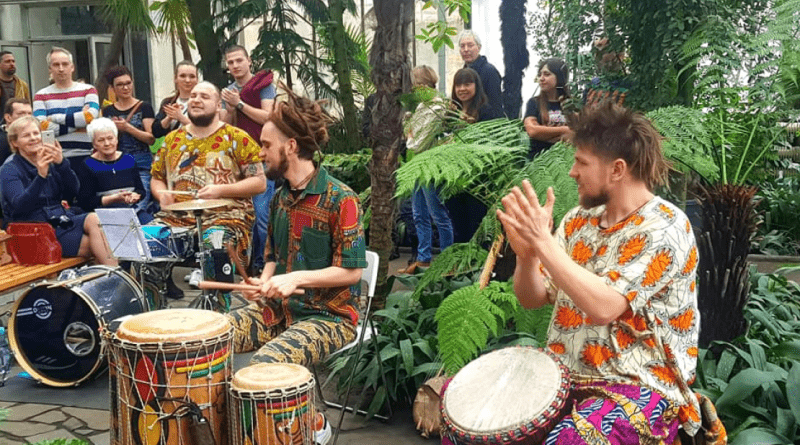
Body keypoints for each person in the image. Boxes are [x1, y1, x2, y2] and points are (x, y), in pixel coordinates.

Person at [495, 102, 701, 442]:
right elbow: (532, 298)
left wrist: (542, 243)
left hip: (639, 388)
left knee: (571, 440)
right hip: (563, 379)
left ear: (617, 169)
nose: (572, 172)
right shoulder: (577, 220)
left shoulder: (666, 227)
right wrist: (527, 256)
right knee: (479, 425)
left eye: (581, 162)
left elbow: (605, 307)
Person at [226, 84, 365, 368]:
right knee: (212, 334)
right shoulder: (279, 199)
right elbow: (272, 258)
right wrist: (263, 283)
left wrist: (296, 279)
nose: (259, 153)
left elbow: (352, 271)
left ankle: (306, 415)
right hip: (278, 310)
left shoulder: (341, 199)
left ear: (290, 146)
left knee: (264, 365)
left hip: (328, 317)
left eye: (265, 145)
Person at [149, 81, 266, 307]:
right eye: (193, 95)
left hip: (226, 215)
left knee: (216, 243)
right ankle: (153, 314)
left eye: (204, 96)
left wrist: (221, 190)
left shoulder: (236, 138)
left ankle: (217, 312)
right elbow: (157, 176)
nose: (196, 99)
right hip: (177, 216)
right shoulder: (173, 139)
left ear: (218, 104)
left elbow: (259, 182)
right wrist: (161, 193)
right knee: (145, 243)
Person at [0, 116, 117, 266]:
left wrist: (62, 164)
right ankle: (116, 280)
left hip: (60, 220)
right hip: (34, 230)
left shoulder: (49, 160)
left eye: (36, 133)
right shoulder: (9, 169)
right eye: (26, 135)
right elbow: (19, 206)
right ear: (15, 142)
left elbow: (73, 192)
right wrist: (40, 177)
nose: (33, 138)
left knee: (94, 219)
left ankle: (113, 278)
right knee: (101, 244)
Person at [220, 45, 277, 276]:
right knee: (243, 216)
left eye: (238, 61)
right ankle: (246, 265)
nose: (234, 66)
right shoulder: (229, 91)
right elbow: (227, 126)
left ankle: (266, 265)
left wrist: (241, 103)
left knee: (263, 216)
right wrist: (232, 106)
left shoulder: (263, 85)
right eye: (230, 62)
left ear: (249, 61)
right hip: (239, 160)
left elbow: (268, 117)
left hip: (262, 157)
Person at [398, 66, 453, 274]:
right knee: (418, 213)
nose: (413, 88)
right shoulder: (422, 106)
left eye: (416, 84)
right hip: (417, 166)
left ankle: (447, 260)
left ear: (425, 84)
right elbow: (410, 135)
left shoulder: (436, 107)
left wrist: (409, 133)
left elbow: (416, 142)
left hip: (430, 167)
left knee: (437, 213)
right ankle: (424, 258)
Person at [32, 47, 99, 176]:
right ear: (50, 69)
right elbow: (41, 126)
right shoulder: (40, 95)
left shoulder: (88, 90)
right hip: (54, 157)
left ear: (72, 67)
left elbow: (90, 116)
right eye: (56, 65)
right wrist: (78, 125)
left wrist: (54, 118)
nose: (61, 68)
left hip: (87, 155)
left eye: (65, 64)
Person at [101, 66, 156, 215]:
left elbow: (151, 138)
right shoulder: (108, 111)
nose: (125, 87)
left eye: (128, 83)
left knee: (138, 207)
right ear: (112, 88)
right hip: (116, 167)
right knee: (119, 209)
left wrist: (128, 128)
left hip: (141, 166)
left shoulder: (144, 107)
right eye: (120, 84)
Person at [76, 118, 148, 221]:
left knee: (155, 228)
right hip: (103, 215)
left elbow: (140, 190)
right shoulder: (88, 165)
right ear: (94, 144)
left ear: (117, 139)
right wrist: (114, 199)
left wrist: (135, 195)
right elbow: (85, 202)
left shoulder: (129, 159)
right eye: (101, 140)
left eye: (110, 138)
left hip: (132, 211)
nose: (107, 143)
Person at [523, 58, 573, 159]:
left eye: (547, 74)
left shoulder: (571, 104)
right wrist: (565, 130)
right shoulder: (534, 103)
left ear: (559, 77)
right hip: (538, 162)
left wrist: (544, 134)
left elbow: (577, 135)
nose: (541, 78)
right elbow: (532, 130)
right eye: (540, 74)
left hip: (565, 162)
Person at [458, 30, 504, 118]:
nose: (466, 50)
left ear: (479, 48)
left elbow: (495, 106)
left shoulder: (490, 72)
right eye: (462, 46)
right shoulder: (462, 73)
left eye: (470, 45)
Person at [151, 61, 198, 138]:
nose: (187, 80)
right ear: (175, 79)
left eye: (192, 76)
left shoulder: (202, 102)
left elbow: (205, 130)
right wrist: (169, 117)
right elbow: (156, 132)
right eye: (182, 76)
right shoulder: (168, 102)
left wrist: (181, 118)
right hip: (173, 148)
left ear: (197, 80)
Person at [0, 51, 31, 126]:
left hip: (18, 125)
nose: (11, 64)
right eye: (7, 61)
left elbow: (28, 105)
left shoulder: (22, 85)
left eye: (13, 61)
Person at [1, 98, 32, 166]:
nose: (27, 117)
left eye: (29, 113)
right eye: (21, 113)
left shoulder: (37, 137)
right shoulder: (1, 139)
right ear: (8, 117)